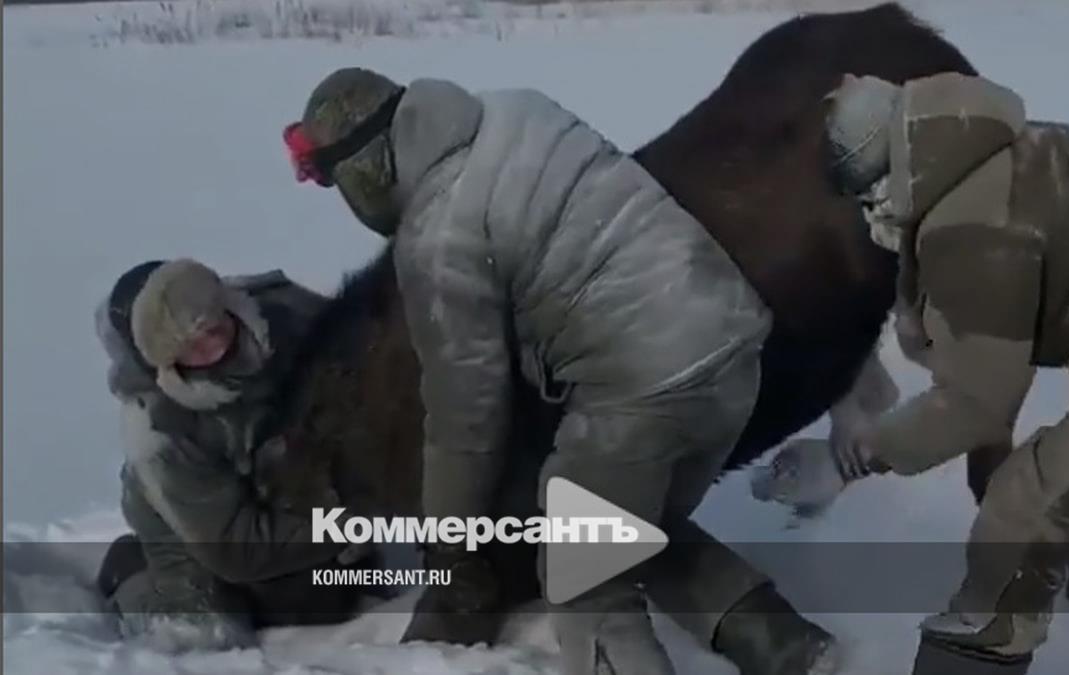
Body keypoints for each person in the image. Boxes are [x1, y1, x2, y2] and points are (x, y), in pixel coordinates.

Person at [282, 67, 838, 675]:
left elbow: (467, 413)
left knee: (583, 584)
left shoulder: (437, 238)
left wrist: (449, 540)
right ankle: (787, 647)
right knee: (624, 521)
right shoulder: (514, 110)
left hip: (648, 385)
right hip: (730, 340)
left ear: (365, 169)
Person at [784, 71, 1069, 674]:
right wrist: (986, 452)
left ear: (879, 181)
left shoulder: (970, 227)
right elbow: (987, 369)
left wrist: (859, 454)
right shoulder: (970, 160)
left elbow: (975, 403)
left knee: (1023, 523)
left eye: (860, 199)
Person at [94, 258, 374, 651]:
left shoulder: (288, 312)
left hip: (277, 481)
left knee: (335, 592)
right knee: (209, 636)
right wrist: (355, 523)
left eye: (213, 326)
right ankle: (131, 572)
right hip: (201, 530)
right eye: (191, 346)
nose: (214, 344)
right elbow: (236, 550)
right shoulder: (159, 430)